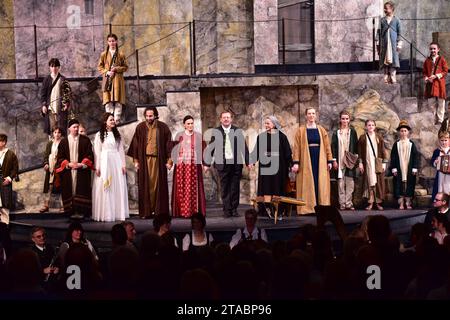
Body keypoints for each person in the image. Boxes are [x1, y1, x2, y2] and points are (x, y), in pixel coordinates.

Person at [127, 107, 172, 218]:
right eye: (147, 116)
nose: (148, 118)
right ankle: (146, 212)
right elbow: (136, 145)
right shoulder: (140, 127)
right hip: (144, 160)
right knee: (145, 186)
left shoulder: (163, 127)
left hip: (159, 161)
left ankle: (159, 212)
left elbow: (168, 144)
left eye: (151, 116)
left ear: (155, 115)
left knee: (158, 185)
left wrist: (169, 160)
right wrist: (136, 160)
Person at [204, 110, 250, 218]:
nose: (226, 119)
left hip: (235, 164)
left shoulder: (237, 131)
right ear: (220, 119)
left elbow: (244, 148)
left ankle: (234, 209)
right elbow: (211, 147)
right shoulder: (216, 132)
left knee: (234, 188)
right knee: (224, 188)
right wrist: (206, 163)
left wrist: (249, 162)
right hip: (222, 164)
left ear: (231, 119)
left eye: (228, 117)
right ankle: (226, 210)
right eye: (224, 117)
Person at [292, 108, 333, 215]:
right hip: (306, 160)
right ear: (306, 115)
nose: (311, 115)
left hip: (320, 160)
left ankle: (321, 207)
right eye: (309, 113)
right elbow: (296, 147)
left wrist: (329, 161)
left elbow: (327, 146)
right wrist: (296, 162)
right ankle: (308, 208)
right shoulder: (301, 130)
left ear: (316, 115)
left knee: (320, 183)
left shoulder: (321, 129)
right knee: (308, 183)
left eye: (313, 113)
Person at [251, 115, 292, 220]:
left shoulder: (282, 137)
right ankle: (266, 210)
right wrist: (252, 161)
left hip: (279, 168)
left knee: (277, 188)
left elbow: (287, 152)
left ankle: (279, 211)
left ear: (274, 124)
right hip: (265, 167)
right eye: (265, 123)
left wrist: (291, 164)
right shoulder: (261, 137)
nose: (266, 125)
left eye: (268, 123)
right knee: (266, 188)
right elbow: (256, 152)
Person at [92, 113, 129, 222]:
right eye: (111, 120)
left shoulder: (117, 135)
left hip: (116, 161)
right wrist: (97, 167)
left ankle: (117, 212)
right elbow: (97, 152)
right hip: (105, 161)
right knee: (106, 185)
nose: (113, 121)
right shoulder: (99, 135)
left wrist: (123, 165)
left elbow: (121, 150)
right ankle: (107, 213)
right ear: (105, 122)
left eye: (113, 120)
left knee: (117, 184)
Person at [55, 119, 94, 219]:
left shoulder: (85, 140)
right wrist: (68, 164)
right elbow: (60, 157)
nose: (76, 129)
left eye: (77, 127)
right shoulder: (63, 142)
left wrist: (82, 164)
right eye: (74, 127)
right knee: (70, 190)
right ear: (69, 129)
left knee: (81, 190)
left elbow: (90, 155)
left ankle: (81, 212)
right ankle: (70, 212)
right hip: (68, 171)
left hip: (81, 171)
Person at [171, 115, 206, 218]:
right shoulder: (179, 135)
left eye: (192, 123)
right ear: (184, 125)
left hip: (194, 166)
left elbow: (204, 150)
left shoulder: (198, 136)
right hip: (181, 167)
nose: (190, 125)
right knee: (182, 188)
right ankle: (182, 212)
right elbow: (173, 150)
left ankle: (194, 212)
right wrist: (170, 162)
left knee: (193, 188)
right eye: (188, 124)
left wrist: (205, 164)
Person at [331, 110, 359, 211]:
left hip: (350, 160)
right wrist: (334, 160)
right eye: (343, 118)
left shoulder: (353, 132)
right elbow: (333, 147)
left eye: (347, 118)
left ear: (349, 120)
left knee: (350, 183)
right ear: (340, 119)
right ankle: (342, 204)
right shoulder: (336, 133)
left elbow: (356, 147)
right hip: (340, 160)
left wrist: (356, 160)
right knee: (341, 183)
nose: (345, 120)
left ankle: (349, 203)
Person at [97, 33, 128, 124]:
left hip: (118, 80)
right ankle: (109, 121)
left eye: (113, 41)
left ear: (116, 41)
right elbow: (100, 67)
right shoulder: (104, 54)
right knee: (108, 101)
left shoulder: (121, 54)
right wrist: (107, 72)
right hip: (107, 80)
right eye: (110, 41)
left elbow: (125, 67)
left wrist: (116, 69)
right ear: (107, 42)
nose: (112, 43)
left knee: (118, 100)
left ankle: (117, 121)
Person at [358, 119, 387, 211]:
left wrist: (384, 163)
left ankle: (378, 203)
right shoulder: (362, 138)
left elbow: (383, 151)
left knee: (377, 182)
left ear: (375, 127)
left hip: (377, 163)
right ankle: (370, 203)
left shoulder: (379, 137)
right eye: (369, 125)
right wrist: (360, 163)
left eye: (372, 125)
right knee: (369, 182)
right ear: (366, 127)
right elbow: (359, 152)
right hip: (367, 163)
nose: (370, 127)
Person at [389, 120, 419, 210]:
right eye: (401, 131)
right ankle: (401, 202)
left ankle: (408, 202)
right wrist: (394, 168)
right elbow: (393, 156)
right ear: (399, 132)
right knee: (399, 184)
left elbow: (415, 156)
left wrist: (414, 167)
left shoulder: (411, 144)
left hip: (408, 167)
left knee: (409, 184)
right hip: (400, 166)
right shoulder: (396, 144)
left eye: (405, 131)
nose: (403, 132)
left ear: (408, 132)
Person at [40, 58, 72, 136]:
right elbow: (43, 94)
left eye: (56, 66)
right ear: (50, 67)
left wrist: (66, 103)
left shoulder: (63, 79)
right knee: (52, 130)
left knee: (62, 130)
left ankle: (61, 146)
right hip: (50, 108)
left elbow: (67, 93)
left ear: (59, 67)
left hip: (61, 108)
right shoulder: (46, 79)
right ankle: (52, 146)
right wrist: (44, 105)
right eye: (52, 66)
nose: (54, 68)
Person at [377, 1, 402, 84]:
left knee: (393, 59)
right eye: (384, 8)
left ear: (391, 9)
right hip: (384, 44)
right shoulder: (382, 20)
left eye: (386, 8)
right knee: (384, 59)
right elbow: (378, 32)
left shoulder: (396, 20)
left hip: (393, 44)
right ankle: (385, 76)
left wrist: (399, 44)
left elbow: (400, 33)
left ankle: (392, 75)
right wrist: (377, 43)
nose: (384, 10)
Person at [39, 127, 64, 213]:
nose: (57, 134)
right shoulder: (50, 143)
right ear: (53, 133)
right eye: (55, 132)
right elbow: (46, 155)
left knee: (62, 186)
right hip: (50, 168)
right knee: (49, 187)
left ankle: (63, 205)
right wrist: (46, 163)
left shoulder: (64, 143)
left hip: (60, 167)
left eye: (59, 132)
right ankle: (46, 205)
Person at [423, 42, 448, 125]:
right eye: (431, 49)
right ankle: (432, 120)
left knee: (441, 103)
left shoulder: (442, 59)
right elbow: (424, 72)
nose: (433, 50)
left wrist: (437, 76)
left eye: (434, 48)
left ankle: (440, 120)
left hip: (439, 84)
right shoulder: (427, 60)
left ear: (438, 49)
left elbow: (445, 71)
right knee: (431, 103)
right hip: (430, 84)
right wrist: (426, 78)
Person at [0, 134, 18, 225]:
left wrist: (9, 178)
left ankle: (5, 229)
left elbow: (15, 168)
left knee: (5, 207)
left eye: (0, 141)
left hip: (5, 183)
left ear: (4, 142)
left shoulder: (11, 154)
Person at [431, 131, 450, 200]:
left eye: (446, 140)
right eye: (442, 140)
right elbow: (432, 161)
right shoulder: (437, 151)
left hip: (449, 175)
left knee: (448, 188)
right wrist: (435, 162)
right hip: (440, 174)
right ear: (439, 141)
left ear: (449, 140)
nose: (444, 142)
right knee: (440, 188)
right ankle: (440, 203)